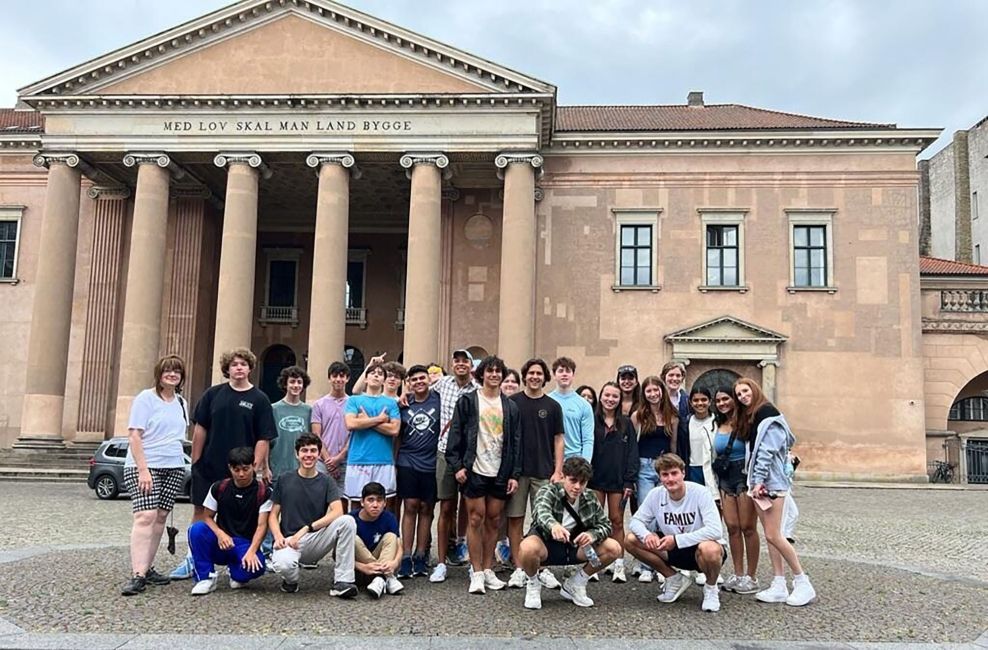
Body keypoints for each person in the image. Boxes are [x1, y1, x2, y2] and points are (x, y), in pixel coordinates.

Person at [172, 347, 276, 580]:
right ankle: (193, 559)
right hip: (210, 466)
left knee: (245, 516)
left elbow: (264, 436)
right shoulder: (212, 394)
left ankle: (240, 557)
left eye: (243, 364)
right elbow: (200, 428)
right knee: (201, 512)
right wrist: (196, 461)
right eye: (234, 364)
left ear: (250, 368)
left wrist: (255, 467)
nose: (239, 368)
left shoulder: (260, 399)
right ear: (227, 369)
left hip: (242, 471)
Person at [735, 378, 816, 607]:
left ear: (755, 389)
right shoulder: (756, 417)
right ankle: (779, 583)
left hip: (770, 485)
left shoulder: (769, 416)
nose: (742, 396)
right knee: (770, 535)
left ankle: (802, 582)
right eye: (738, 394)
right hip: (759, 485)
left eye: (745, 391)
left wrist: (759, 480)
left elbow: (767, 452)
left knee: (774, 535)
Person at [445, 354, 522, 594]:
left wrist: (514, 474)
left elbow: (516, 442)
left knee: (493, 520)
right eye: (490, 371)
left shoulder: (510, 406)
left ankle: (488, 569)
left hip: (500, 470)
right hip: (474, 469)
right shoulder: (468, 401)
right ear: (482, 374)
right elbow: (455, 434)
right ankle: (476, 571)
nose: (494, 375)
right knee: (475, 518)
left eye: (498, 371)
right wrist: (457, 466)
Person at [120, 354, 189, 596]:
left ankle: (147, 568)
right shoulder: (145, 399)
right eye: (168, 371)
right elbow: (135, 436)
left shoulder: (181, 402)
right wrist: (143, 470)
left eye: (177, 371)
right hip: (145, 466)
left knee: (160, 517)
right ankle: (137, 574)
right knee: (145, 516)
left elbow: (178, 437)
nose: (172, 375)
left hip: (173, 465)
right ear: (159, 374)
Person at [625, 453, 726, 612]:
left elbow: (715, 530)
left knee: (710, 549)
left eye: (674, 473)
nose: (670, 479)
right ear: (659, 477)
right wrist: (648, 535)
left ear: (683, 473)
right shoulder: (656, 494)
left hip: (698, 550)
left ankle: (711, 588)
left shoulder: (700, 492)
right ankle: (673, 578)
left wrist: (678, 540)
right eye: (665, 475)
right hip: (671, 549)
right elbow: (635, 521)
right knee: (631, 540)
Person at [517, 457, 621, 609]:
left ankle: (576, 583)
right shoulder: (548, 491)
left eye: (582, 482)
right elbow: (541, 512)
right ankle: (533, 583)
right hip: (547, 545)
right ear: (563, 477)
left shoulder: (590, 497)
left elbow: (605, 525)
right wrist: (553, 525)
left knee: (614, 548)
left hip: (575, 547)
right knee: (527, 547)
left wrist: (592, 534)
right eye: (573, 481)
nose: (577, 487)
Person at [269, 434, 358, 597]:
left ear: (318, 454)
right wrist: (277, 536)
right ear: (297, 454)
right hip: (290, 540)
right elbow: (273, 515)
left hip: (316, 537)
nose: (308, 455)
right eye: (304, 450)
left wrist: (307, 528)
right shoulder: (284, 479)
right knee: (283, 564)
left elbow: (338, 511)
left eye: (313, 450)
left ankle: (343, 581)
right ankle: (291, 581)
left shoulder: (327, 481)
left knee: (347, 521)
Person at [505, 358, 564, 590]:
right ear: (525, 376)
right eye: (531, 373)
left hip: (544, 471)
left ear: (545, 377)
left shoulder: (552, 406)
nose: (535, 377)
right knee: (515, 519)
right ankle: (519, 567)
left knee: (543, 520)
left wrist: (558, 470)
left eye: (539, 373)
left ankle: (541, 566)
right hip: (518, 472)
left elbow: (559, 439)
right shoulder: (512, 402)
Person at [187, 447, 270, 595]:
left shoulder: (264, 492)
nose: (241, 474)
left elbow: (262, 526)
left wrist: (251, 551)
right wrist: (220, 534)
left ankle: (236, 570)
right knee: (197, 529)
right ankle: (205, 578)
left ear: (253, 465)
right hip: (222, 542)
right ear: (230, 468)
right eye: (236, 469)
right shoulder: (219, 488)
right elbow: (207, 517)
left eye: (246, 469)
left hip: (245, 544)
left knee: (256, 568)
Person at [429, 349, 479, 582]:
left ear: (471, 365)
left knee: (471, 510)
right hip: (445, 452)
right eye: (456, 360)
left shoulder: (478, 390)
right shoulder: (442, 384)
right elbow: (421, 395)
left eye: (464, 361)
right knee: (446, 508)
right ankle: (441, 562)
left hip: (470, 455)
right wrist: (402, 397)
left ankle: (470, 557)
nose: (460, 364)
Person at [629, 375, 679, 583]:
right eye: (648, 391)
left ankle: (663, 562)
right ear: (644, 394)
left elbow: (674, 445)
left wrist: (676, 469)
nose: (652, 394)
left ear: (662, 391)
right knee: (646, 513)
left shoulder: (672, 416)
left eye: (655, 390)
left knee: (665, 515)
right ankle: (646, 564)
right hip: (644, 467)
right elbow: (632, 446)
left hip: (665, 467)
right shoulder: (637, 416)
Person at [588, 381, 637, 583]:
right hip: (594, 479)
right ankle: (594, 562)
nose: (610, 399)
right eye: (607, 395)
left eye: (615, 396)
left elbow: (633, 453)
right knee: (593, 522)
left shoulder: (626, 424)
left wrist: (629, 480)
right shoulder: (591, 420)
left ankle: (618, 564)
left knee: (616, 520)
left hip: (618, 480)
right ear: (601, 397)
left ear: (619, 400)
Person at [395, 364, 441, 579]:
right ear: (409, 384)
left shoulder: (439, 400)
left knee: (427, 508)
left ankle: (421, 554)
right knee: (410, 505)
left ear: (429, 379)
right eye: (414, 380)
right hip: (408, 460)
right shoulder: (404, 404)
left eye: (422, 378)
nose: (419, 382)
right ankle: (405, 555)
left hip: (432, 462)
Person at [713, 387, 760, 595]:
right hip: (725, 477)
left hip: (743, 474)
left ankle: (751, 576)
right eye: (718, 400)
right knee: (732, 526)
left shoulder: (746, 421)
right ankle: (738, 573)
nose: (722, 403)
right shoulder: (717, 424)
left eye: (726, 399)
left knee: (748, 526)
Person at [343, 361, 400, 508]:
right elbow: (351, 424)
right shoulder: (354, 400)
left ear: (384, 381)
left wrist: (366, 421)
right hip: (359, 460)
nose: (376, 376)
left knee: (383, 504)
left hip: (384, 460)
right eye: (373, 373)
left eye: (380, 374)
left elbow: (394, 430)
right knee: (357, 503)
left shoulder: (391, 403)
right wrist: (380, 420)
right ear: (366, 379)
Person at [350, 481, 404, 598]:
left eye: (379, 500)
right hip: (359, 570)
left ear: (385, 503)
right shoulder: (351, 519)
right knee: (353, 538)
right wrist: (362, 567)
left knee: (391, 536)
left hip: (383, 561)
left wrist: (394, 563)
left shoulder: (389, 517)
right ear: (362, 502)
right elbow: (337, 554)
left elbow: (399, 546)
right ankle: (387, 578)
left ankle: (379, 579)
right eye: (370, 500)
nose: (375, 505)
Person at [311, 361, 350, 493]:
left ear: (347, 379)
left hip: (345, 461)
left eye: (342, 376)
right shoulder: (319, 405)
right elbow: (316, 435)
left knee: (343, 501)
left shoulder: (352, 404)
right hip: (323, 462)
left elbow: (354, 434)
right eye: (334, 376)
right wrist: (328, 461)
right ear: (329, 378)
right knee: (319, 499)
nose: (338, 379)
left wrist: (339, 458)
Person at [269, 366, 312, 479]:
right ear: (285, 384)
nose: (296, 385)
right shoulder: (273, 409)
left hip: (302, 469)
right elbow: (266, 441)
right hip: (277, 469)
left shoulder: (308, 410)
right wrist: (265, 467)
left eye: (299, 382)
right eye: (292, 382)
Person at [548, 357, 594, 461]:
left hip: (574, 461)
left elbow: (587, 440)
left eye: (568, 371)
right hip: (550, 460)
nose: (564, 374)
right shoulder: (546, 401)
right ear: (554, 375)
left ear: (573, 375)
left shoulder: (584, 405)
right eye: (560, 371)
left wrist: (584, 464)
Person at [687, 386, 718, 500]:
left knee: (715, 505)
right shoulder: (686, 422)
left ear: (710, 401)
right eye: (695, 400)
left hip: (714, 469)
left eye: (704, 400)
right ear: (690, 402)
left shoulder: (717, 422)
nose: (700, 403)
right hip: (693, 470)